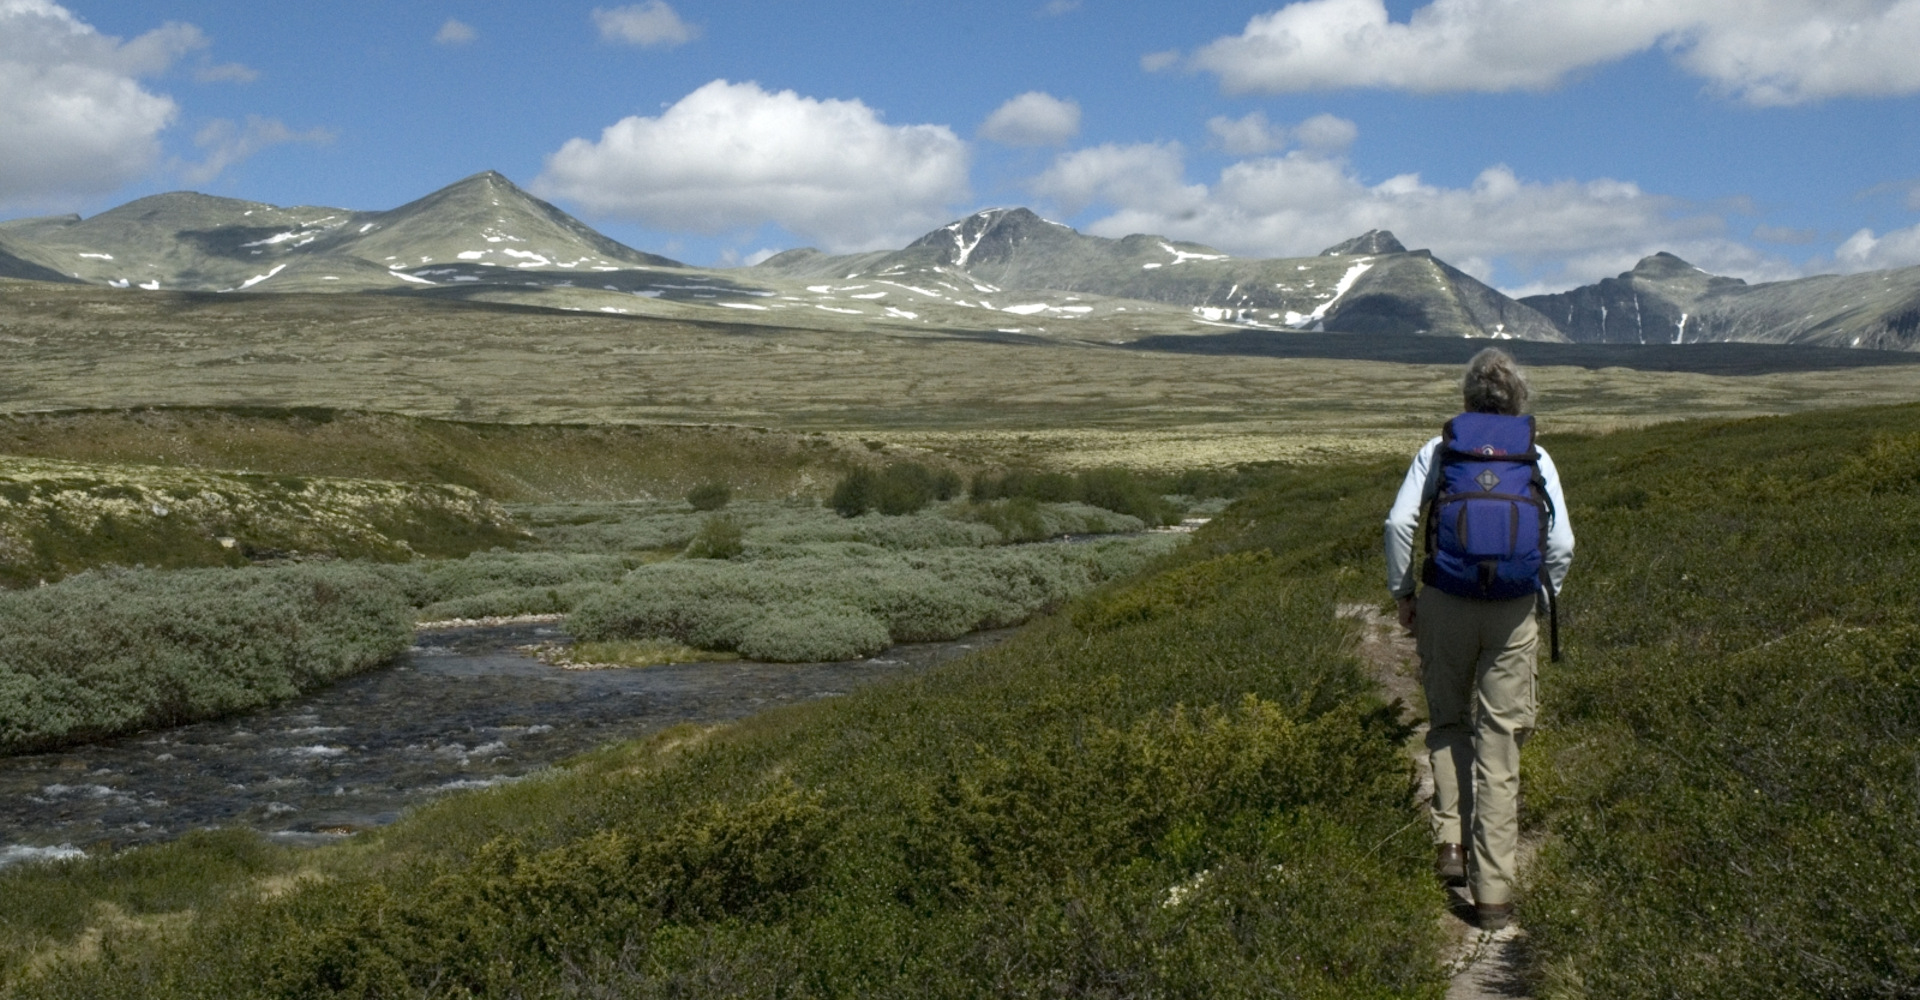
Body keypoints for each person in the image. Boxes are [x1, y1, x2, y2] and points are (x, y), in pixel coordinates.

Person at [1382, 347, 1573, 931]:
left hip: (1445, 602)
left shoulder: (1441, 451)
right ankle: (1492, 896)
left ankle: (1449, 844)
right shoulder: (1534, 455)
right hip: (1512, 612)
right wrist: (1539, 599)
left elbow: (1397, 525)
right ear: (1519, 400)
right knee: (1500, 745)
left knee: (1447, 722)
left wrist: (1404, 595)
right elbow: (1561, 544)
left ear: (1467, 399)